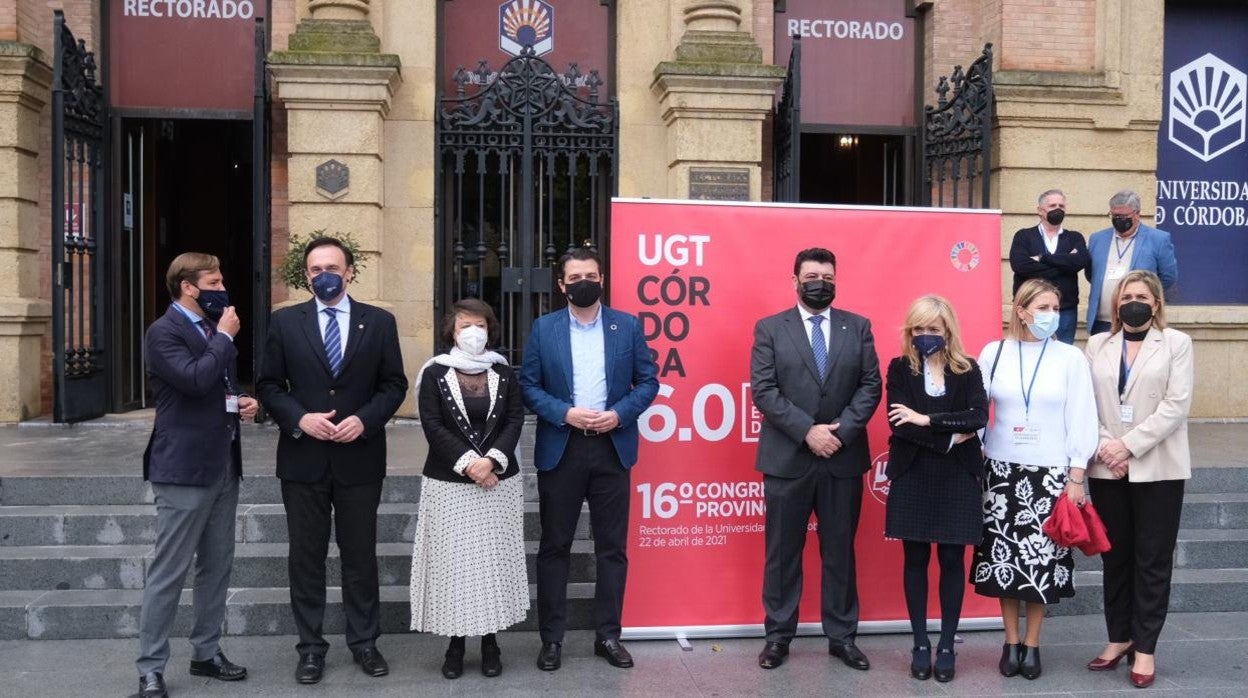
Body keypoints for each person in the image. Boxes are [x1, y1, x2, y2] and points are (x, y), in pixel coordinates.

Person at [256, 237, 408, 685]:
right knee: (306, 556)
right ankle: (310, 648)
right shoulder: (285, 323)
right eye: (315, 267)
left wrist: (365, 421)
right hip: (303, 459)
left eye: (332, 267)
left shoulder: (378, 322)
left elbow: (394, 385)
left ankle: (364, 643)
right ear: (306, 274)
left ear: (349, 272)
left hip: (359, 458)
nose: (324, 274)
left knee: (359, 555)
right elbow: (268, 386)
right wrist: (300, 418)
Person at [520, 247, 659, 672]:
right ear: (561, 285)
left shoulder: (627, 326)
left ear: (602, 279)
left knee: (611, 548)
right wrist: (563, 412)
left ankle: (608, 636)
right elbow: (528, 385)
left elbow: (649, 381)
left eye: (592, 275)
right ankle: (552, 640)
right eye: (576, 276)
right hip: (562, 446)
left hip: (611, 446)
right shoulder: (544, 330)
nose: (585, 282)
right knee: (554, 546)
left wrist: (619, 414)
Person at [750, 247, 883, 671]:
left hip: (841, 458)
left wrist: (838, 433)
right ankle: (778, 637)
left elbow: (870, 386)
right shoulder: (770, 328)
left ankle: (842, 637)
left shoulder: (857, 327)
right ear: (794, 280)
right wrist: (808, 431)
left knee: (840, 551)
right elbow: (764, 390)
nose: (819, 282)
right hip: (788, 458)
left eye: (827, 276)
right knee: (782, 552)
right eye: (811, 275)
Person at [137, 253, 258, 698]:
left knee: (217, 566)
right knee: (169, 571)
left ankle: (206, 652)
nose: (222, 286)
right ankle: (150, 666)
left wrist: (242, 400)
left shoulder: (209, 330)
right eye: (214, 280)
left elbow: (216, 386)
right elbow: (191, 379)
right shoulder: (164, 331)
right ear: (188, 286)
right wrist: (225, 338)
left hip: (224, 463)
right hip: (183, 468)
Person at [970, 278, 1098, 681]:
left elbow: (1082, 415)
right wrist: (972, 451)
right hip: (1002, 470)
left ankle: (1033, 644)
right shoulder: (995, 352)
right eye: (1042, 307)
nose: (1050, 315)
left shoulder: (1070, 358)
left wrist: (1077, 474)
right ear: (1021, 310)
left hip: (1050, 472)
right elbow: (975, 408)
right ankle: (1010, 642)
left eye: (1055, 308)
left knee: (1040, 561)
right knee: (1006, 559)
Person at [1084, 270, 1193, 689]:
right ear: (1115, 304)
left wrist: (1127, 445)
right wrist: (1107, 446)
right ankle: (1118, 637)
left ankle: (1145, 647)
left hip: (1157, 467)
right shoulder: (1096, 344)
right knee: (1116, 557)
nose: (1133, 301)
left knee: (1152, 560)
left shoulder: (1177, 344)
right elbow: (1085, 404)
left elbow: (1176, 405)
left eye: (1142, 295)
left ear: (1157, 303)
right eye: (1126, 295)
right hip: (1107, 465)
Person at [409, 298, 528, 679]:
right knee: (454, 567)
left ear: (490, 329)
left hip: (497, 484)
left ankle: (491, 642)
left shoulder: (504, 373)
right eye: (464, 326)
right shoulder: (434, 373)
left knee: (490, 566)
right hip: (449, 485)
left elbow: (514, 419)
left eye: (479, 324)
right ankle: (455, 644)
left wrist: (491, 461)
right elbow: (432, 424)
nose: (472, 332)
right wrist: (470, 465)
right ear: (452, 332)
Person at [884, 295, 988, 683]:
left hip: (958, 477)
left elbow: (977, 416)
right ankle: (920, 643)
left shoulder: (968, 369)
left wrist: (926, 418)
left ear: (948, 330)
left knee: (950, 560)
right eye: (919, 329)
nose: (926, 335)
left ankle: (946, 644)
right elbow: (899, 425)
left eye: (933, 329)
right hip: (913, 474)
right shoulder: (899, 369)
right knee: (914, 560)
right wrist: (948, 436)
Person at [1085, 190, 1179, 335]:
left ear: (1137, 214)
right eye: (1115, 215)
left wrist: (1146, 294)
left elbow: (1168, 277)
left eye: (1124, 216)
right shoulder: (1097, 238)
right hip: (1101, 322)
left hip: (1138, 320)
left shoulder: (1158, 239)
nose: (1119, 219)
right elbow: (1091, 274)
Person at [1008, 189, 1090, 344]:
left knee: (1062, 354)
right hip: (1029, 309)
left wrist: (1042, 258)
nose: (1058, 209)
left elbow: (1080, 261)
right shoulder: (1024, 236)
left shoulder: (1074, 237)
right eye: (1053, 205)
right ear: (1040, 211)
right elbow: (1020, 265)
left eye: (1062, 206)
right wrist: (1064, 264)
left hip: (1064, 310)